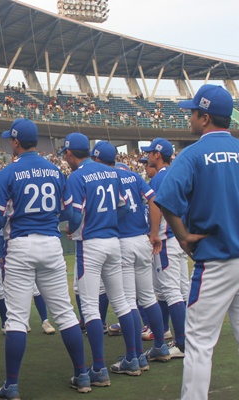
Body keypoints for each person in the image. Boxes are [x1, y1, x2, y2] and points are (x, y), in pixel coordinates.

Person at [154, 84, 239, 400]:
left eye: (192, 113)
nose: (189, 118)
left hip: (217, 260)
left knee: (200, 342)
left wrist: (182, 235)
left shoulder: (192, 155)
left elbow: (166, 201)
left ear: (205, 117)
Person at [0, 119, 89, 399]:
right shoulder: (56, 171)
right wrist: (50, 219)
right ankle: (82, 375)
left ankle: (12, 386)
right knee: (66, 313)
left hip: (21, 244)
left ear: (17, 142)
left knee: (17, 319)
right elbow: (71, 214)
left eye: (12, 139)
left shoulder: (9, 171)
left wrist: (12, 215)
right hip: (50, 243)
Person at [61, 132, 139, 381]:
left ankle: (99, 369)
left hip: (91, 243)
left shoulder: (77, 176)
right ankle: (133, 359)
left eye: (66, 154)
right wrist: (107, 220)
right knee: (123, 302)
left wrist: (72, 228)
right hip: (113, 241)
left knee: (91, 308)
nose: (66, 159)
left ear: (70, 153)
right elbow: (124, 207)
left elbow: (74, 216)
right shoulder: (111, 173)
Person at [91, 141, 169, 366]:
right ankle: (160, 347)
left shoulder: (106, 178)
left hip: (122, 242)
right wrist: (154, 232)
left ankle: (133, 357)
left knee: (128, 302)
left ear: (98, 160)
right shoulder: (133, 176)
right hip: (142, 240)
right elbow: (155, 200)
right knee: (147, 297)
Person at [140, 138, 187, 358]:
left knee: (170, 291)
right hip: (180, 237)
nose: (148, 156)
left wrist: (153, 234)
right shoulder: (176, 174)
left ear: (157, 155)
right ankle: (186, 335)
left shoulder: (159, 178)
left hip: (167, 239)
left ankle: (182, 343)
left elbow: (156, 207)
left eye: (149, 153)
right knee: (181, 289)